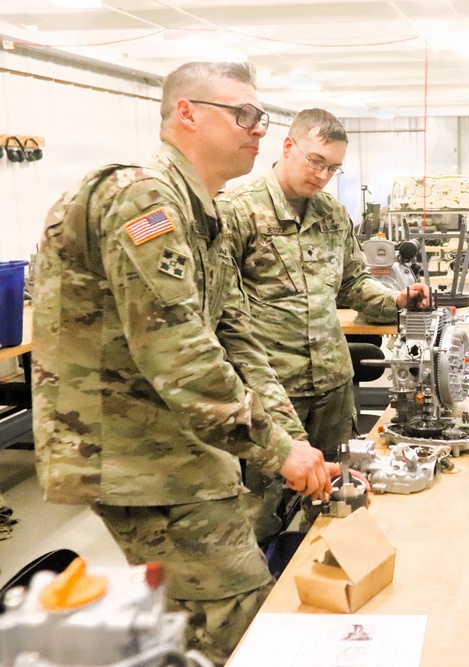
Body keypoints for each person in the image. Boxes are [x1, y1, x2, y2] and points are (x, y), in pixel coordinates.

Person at [31, 62, 339, 666]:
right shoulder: (142, 197)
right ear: (187, 114)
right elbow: (184, 359)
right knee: (234, 625)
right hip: (142, 455)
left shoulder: (204, 212)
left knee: (210, 620)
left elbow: (236, 340)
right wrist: (280, 452)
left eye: (261, 116)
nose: (257, 129)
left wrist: (297, 445)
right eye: (242, 114)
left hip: (184, 449)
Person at [219, 109, 430, 464]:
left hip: (333, 385)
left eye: (333, 168)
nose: (323, 176)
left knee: (342, 488)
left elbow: (353, 283)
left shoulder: (332, 213)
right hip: (271, 389)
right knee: (269, 506)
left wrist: (397, 298)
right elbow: (221, 312)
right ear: (288, 146)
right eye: (315, 161)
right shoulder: (235, 211)